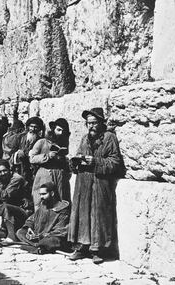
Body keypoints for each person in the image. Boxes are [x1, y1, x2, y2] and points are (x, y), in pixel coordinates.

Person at [68, 107, 125, 264]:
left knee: (98, 216)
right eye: (88, 123)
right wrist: (76, 161)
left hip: (100, 183)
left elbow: (115, 162)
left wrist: (96, 161)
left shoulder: (109, 138)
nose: (91, 126)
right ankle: (81, 247)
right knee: (82, 214)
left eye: (94, 123)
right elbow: (78, 155)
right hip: (84, 183)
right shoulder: (85, 139)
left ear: (101, 123)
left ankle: (97, 250)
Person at [0, 159, 33, 242]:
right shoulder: (1, 178)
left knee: (5, 206)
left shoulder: (16, 179)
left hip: (24, 211)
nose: (2, 173)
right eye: (0, 172)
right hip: (12, 209)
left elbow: (4, 196)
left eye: (4, 171)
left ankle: (11, 236)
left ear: (9, 169)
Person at [16, 182, 70, 254]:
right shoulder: (43, 205)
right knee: (20, 232)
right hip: (37, 236)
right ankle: (38, 247)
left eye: (44, 194)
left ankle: (33, 246)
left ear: (52, 193)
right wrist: (29, 228)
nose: (41, 197)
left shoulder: (62, 209)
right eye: (40, 194)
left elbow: (61, 230)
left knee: (52, 241)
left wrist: (42, 236)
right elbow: (32, 218)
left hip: (50, 236)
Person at [29, 118, 71, 210]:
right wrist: (47, 156)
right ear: (53, 129)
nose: (60, 133)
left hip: (59, 175)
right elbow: (32, 158)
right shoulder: (42, 142)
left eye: (63, 131)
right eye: (58, 130)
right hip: (45, 174)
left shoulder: (64, 144)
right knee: (43, 200)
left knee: (60, 200)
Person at [10, 116, 44, 186]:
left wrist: (30, 154)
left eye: (36, 127)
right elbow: (11, 150)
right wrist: (17, 153)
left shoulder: (41, 141)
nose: (33, 129)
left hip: (31, 170)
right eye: (31, 126)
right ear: (28, 127)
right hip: (18, 168)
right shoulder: (20, 137)